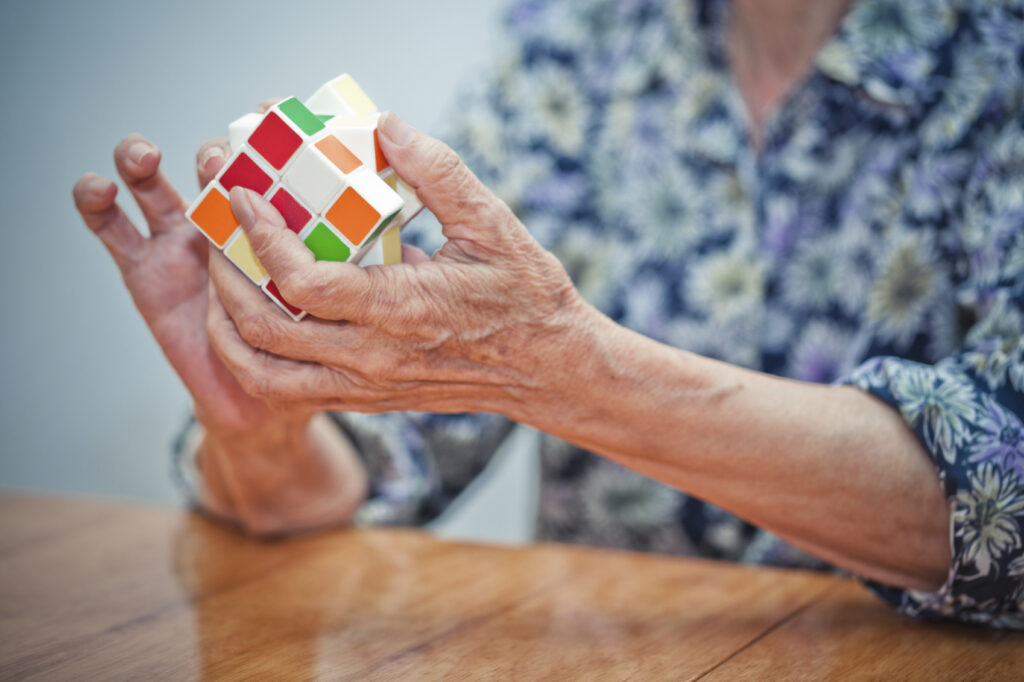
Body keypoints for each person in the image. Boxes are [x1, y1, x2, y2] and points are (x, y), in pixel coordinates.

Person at [73, 0, 1024, 627]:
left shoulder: (1001, 61)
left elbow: (1007, 493)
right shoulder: (569, 46)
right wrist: (260, 425)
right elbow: (387, 460)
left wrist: (562, 372)